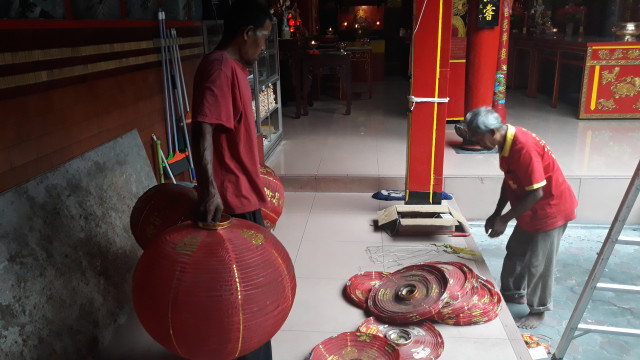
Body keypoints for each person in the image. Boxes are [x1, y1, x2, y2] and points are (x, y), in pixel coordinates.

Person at [190, 0, 273, 358]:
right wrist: (209, 190)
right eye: (264, 37)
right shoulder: (220, 68)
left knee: (251, 297)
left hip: (242, 195)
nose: (265, 46)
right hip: (230, 204)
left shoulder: (233, 68)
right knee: (244, 303)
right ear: (246, 33)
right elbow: (203, 126)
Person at [464, 107, 578, 329]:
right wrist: (497, 212)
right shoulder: (503, 142)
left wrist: (505, 219)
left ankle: (539, 310)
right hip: (528, 208)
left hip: (550, 209)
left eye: (479, 139)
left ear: (492, 132)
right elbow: (509, 180)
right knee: (516, 250)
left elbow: (537, 192)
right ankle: (514, 293)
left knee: (539, 263)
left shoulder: (523, 147)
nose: (478, 144)